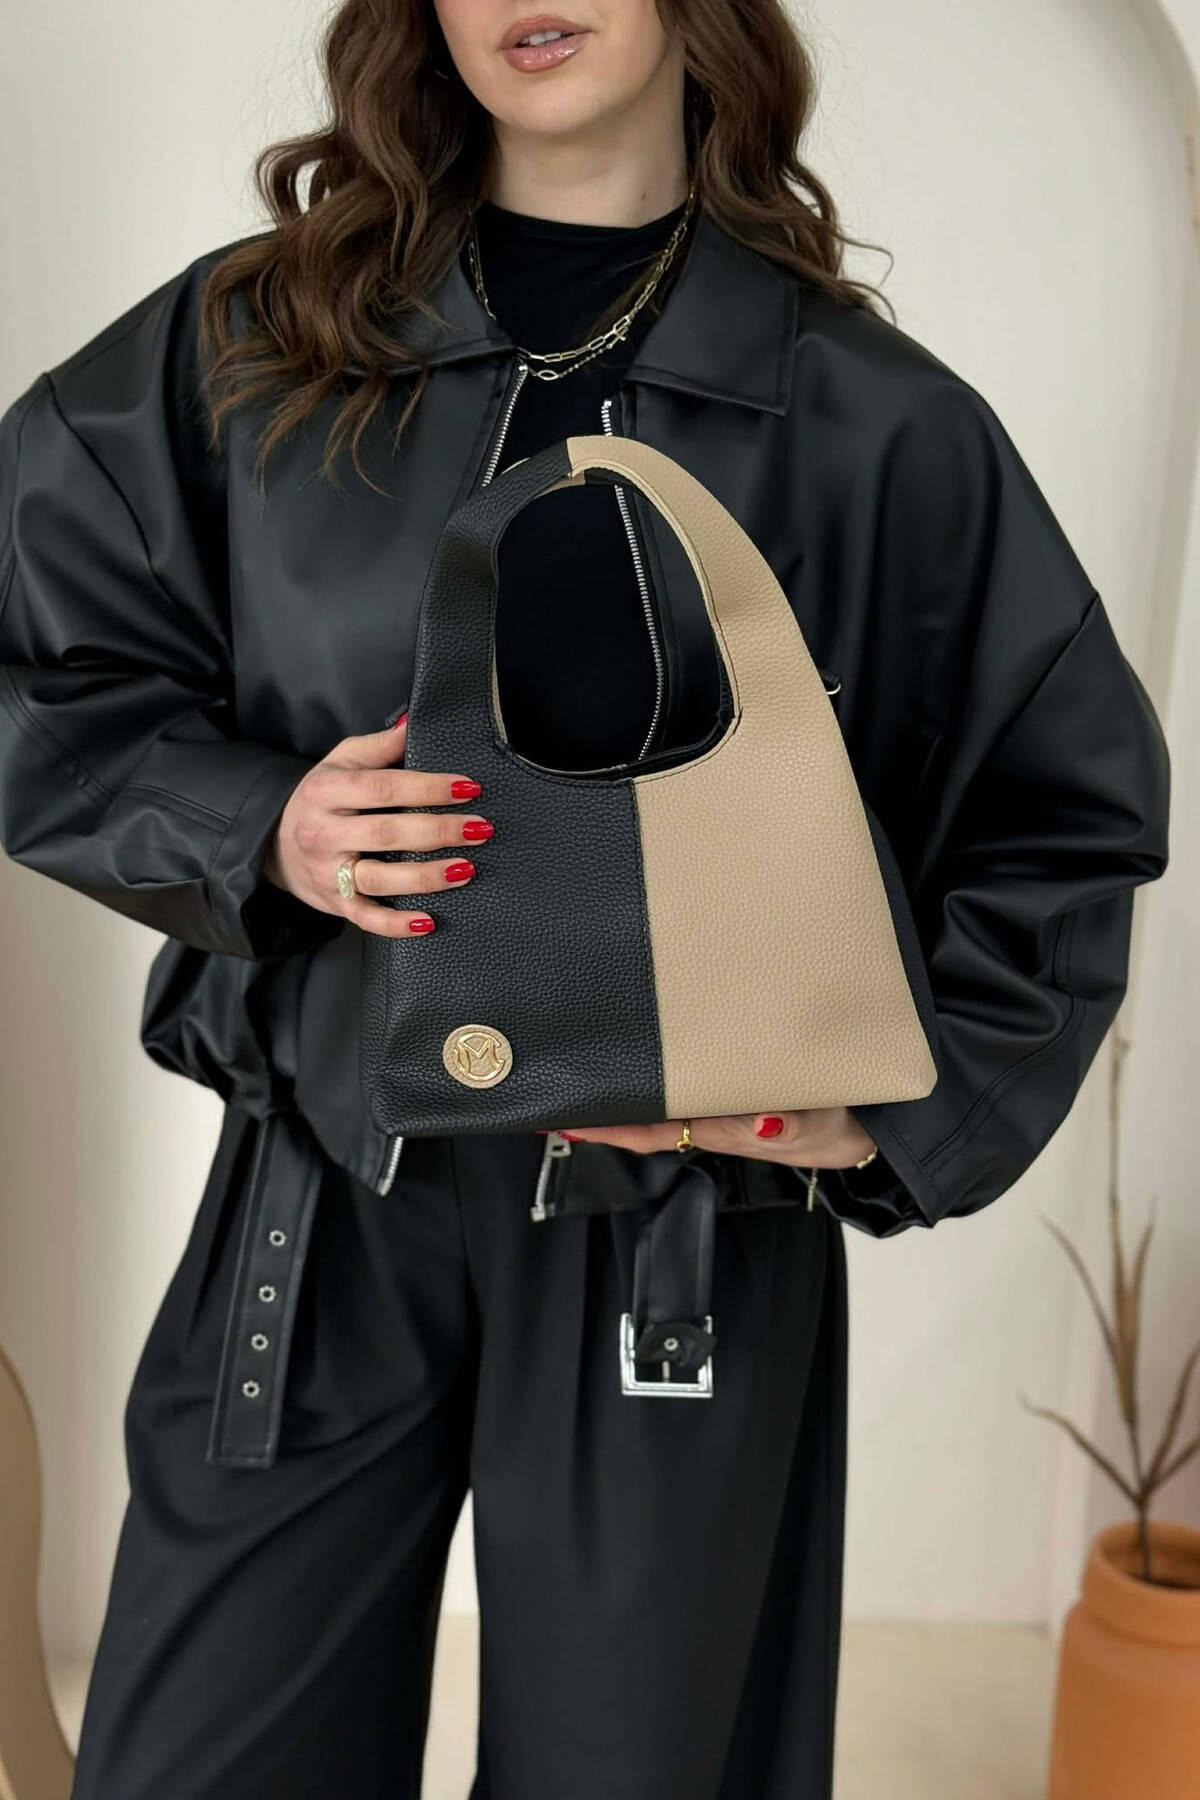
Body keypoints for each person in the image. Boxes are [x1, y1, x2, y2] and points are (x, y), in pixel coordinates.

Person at [0, 0, 1171, 1794]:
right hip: (319, 1206)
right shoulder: (258, 347)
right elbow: (31, 647)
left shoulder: (870, 420)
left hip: (683, 1233)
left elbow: (1062, 809)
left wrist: (884, 1113)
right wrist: (262, 822)